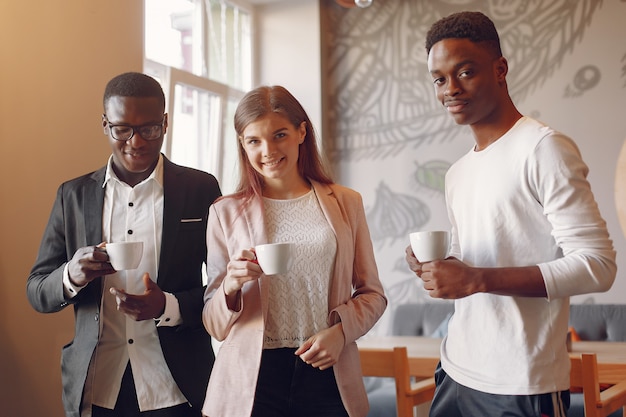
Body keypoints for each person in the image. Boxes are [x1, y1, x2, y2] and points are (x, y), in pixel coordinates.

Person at [405, 11, 617, 417]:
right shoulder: (457, 172)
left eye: (465, 72)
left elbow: (598, 265)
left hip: (520, 384)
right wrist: (436, 266)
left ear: (499, 69)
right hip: (454, 371)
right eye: (439, 78)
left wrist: (477, 279)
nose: (450, 89)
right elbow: (481, 261)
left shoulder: (544, 149)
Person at [27, 72, 222, 417]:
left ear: (165, 123)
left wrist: (168, 305)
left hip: (178, 388)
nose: (136, 142)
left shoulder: (200, 189)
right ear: (105, 125)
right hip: (98, 387)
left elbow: (222, 289)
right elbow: (37, 290)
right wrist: (72, 274)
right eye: (122, 129)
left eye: (149, 129)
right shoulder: (72, 195)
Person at [201, 85, 387, 417]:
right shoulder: (224, 212)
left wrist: (341, 334)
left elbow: (373, 294)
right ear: (243, 145)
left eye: (279, 135)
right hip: (253, 381)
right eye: (254, 140)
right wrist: (230, 286)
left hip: (328, 370)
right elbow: (214, 325)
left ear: (302, 132)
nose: (268, 150)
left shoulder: (346, 202)